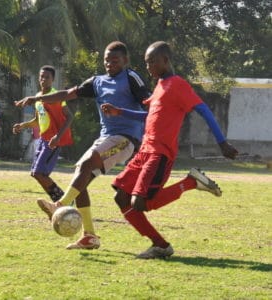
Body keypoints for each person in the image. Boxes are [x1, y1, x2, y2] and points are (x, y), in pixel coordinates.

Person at [101, 41, 239, 259]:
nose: (148, 67)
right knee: (121, 197)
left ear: (165, 60)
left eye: (152, 62)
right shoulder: (160, 85)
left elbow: (204, 110)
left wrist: (222, 142)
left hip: (160, 154)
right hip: (145, 151)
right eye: (146, 63)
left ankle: (190, 182)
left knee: (140, 203)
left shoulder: (178, 84)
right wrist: (120, 112)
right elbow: (150, 116)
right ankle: (160, 245)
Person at [15, 41, 150, 250]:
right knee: (81, 177)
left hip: (126, 139)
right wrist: (36, 98)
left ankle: (59, 205)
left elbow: (150, 109)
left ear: (125, 60)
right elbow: (67, 94)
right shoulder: (97, 82)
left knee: (86, 163)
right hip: (105, 138)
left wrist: (121, 112)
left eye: (115, 60)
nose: (110, 64)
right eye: (107, 60)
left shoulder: (131, 78)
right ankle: (89, 236)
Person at [13, 65, 73, 203]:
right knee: (35, 173)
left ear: (52, 79)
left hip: (52, 141)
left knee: (39, 173)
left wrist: (58, 137)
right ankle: (62, 201)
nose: (43, 79)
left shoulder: (56, 96)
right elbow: (37, 120)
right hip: (42, 139)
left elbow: (70, 117)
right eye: (41, 76)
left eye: (47, 77)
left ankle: (64, 200)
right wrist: (23, 125)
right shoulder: (38, 97)